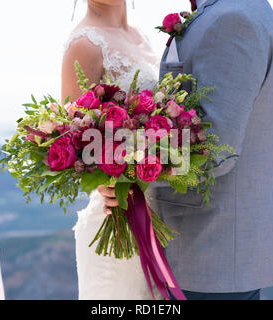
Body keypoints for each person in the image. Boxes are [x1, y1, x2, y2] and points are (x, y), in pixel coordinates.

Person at [99, 0, 273, 300]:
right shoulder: (225, 11)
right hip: (207, 254)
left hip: (212, 255)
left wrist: (127, 171)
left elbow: (216, 151)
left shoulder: (232, 19)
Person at [62, 0, 161, 299]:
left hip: (157, 215)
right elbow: (72, 139)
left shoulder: (142, 35)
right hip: (117, 221)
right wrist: (106, 179)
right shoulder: (85, 44)